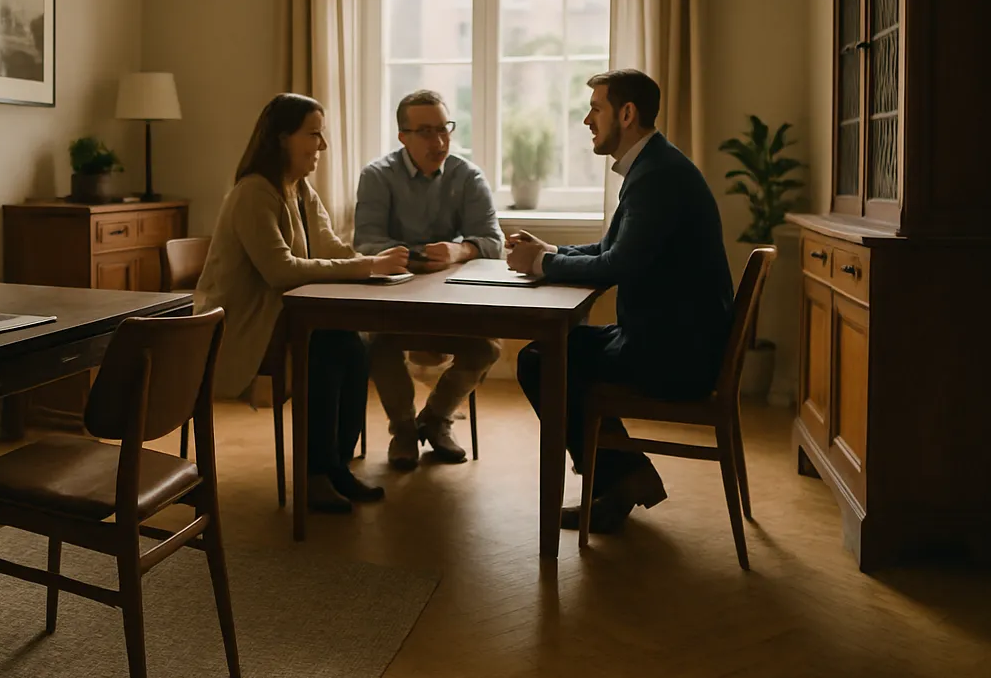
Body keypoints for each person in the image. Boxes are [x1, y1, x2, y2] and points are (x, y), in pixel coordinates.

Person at [505, 69, 733, 533]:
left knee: (540, 361)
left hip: (673, 356)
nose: (587, 120)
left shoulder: (656, 177)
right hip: (672, 338)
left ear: (626, 114)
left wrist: (540, 266)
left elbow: (616, 266)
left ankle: (621, 478)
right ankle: (623, 478)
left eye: (596, 108)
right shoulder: (656, 167)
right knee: (546, 357)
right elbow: (613, 250)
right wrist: (549, 252)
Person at [194, 93, 410, 514]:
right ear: (281, 139)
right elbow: (282, 271)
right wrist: (367, 266)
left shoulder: (299, 189)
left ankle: (334, 468)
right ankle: (315, 475)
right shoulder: (254, 193)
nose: (321, 146)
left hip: (279, 317)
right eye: (313, 135)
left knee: (352, 345)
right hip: (237, 324)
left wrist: (380, 266)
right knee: (327, 348)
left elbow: (328, 245)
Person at [354, 90, 504, 469]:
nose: (438, 142)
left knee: (486, 348)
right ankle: (403, 429)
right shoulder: (377, 175)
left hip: (455, 302)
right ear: (402, 136)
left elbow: (493, 242)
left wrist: (461, 251)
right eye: (425, 132)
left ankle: (435, 419)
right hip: (396, 300)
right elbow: (367, 243)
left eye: (444, 129)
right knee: (376, 345)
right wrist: (422, 256)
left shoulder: (467, 176)